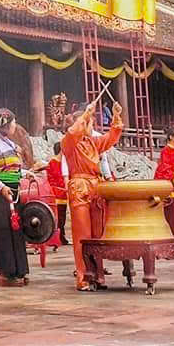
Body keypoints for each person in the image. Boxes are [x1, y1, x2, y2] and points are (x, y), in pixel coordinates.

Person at [63, 101, 124, 290]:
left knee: (97, 234)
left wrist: (116, 116)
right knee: (83, 235)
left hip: (95, 187)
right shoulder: (69, 143)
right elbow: (73, 133)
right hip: (80, 186)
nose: (92, 127)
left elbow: (111, 137)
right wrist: (85, 115)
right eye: (89, 124)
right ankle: (83, 277)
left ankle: (98, 275)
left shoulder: (93, 143)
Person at [0, 109, 31, 287]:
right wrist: (1, 187)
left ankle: (19, 269)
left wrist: (26, 173)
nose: (15, 126)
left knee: (16, 230)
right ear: (7, 125)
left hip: (13, 189)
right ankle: (6, 273)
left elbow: (13, 169)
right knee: (3, 230)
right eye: (14, 123)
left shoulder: (9, 143)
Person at [45, 142, 69, 244]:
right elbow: (50, 179)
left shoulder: (65, 163)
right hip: (56, 193)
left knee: (62, 216)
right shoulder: (52, 162)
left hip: (63, 192)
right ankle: (57, 237)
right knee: (58, 217)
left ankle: (61, 235)